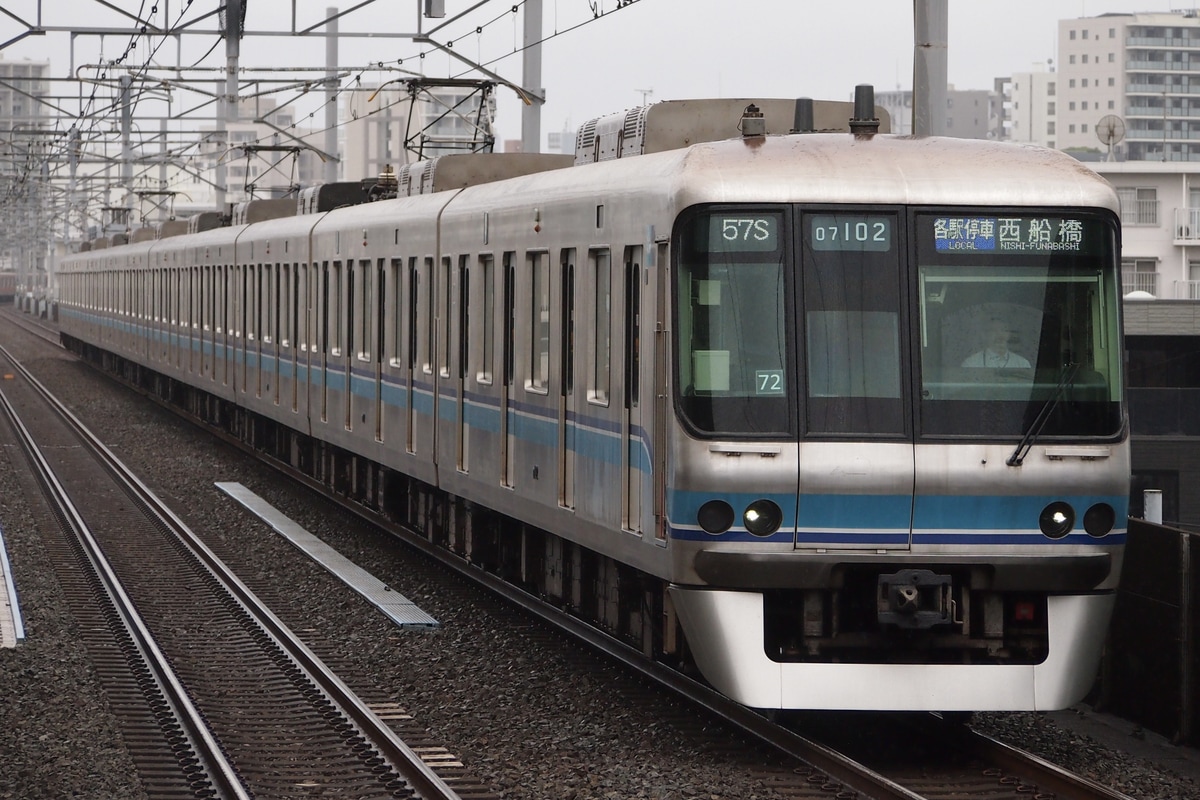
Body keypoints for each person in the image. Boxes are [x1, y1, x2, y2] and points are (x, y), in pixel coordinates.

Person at [961, 318, 1031, 368]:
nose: (999, 335)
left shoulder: (1022, 363)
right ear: (984, 335)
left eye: (1004, 330)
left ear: (1009, 334)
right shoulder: (971, 363)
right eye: (993, 331)